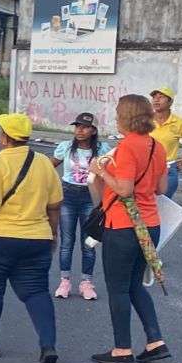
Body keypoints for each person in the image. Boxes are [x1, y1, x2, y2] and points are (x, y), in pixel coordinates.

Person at [0, 113, 63, 363]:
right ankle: (47, 344)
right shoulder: (43, 163)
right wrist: (53, 235)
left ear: (6, 137)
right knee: (36, 291)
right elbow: (54, 206)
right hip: (36, 239)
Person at [90, 94, 171, 363]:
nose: (115, 118)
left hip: (123, 225)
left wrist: (100, 171)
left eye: (117, 113)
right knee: (135, 284)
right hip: (150, 224)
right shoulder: (157, 147)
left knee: (118, 288)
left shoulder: (126, 147)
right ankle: (155, 341)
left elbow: (124, 189)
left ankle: (121, 349)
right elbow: (161, 189)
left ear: (126, 117)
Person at [51, 112, 112, 300]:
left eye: (85, 127)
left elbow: (110, 172)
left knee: (88, 242)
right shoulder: (66, 147)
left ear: (93, 130)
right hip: (68, 195)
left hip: (90, 197)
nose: (80, 130)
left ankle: (86, 282)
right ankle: (65, 281)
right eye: (77, 126)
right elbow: (50, 165)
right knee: (67, 242)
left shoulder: (103, 149)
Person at [149, 86, 182, 199]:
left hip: (168, 170)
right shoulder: (145, 120)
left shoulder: (179, 123)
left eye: (161, 97)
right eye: (154, 97)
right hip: (146, 169)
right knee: (146, 208)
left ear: (170, 102)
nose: (156, 100)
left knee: (164, 207)